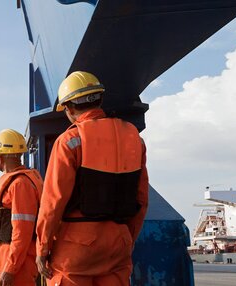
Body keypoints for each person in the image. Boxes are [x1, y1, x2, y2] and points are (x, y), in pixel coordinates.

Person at [35, 71, 149, 286]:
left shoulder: (70, 140)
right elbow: (141, 198)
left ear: (68, 108)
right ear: (100, 100)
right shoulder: (135, 138)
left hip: (76, 247)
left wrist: (42, 249)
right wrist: (127, 238)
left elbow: (53, 201)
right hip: (118, 243)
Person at [0, 129, 44, 286]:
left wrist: (10, 268)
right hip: (7, 257)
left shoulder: (20, 185)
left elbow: (22, 232)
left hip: (16, 262)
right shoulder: (20, 181)